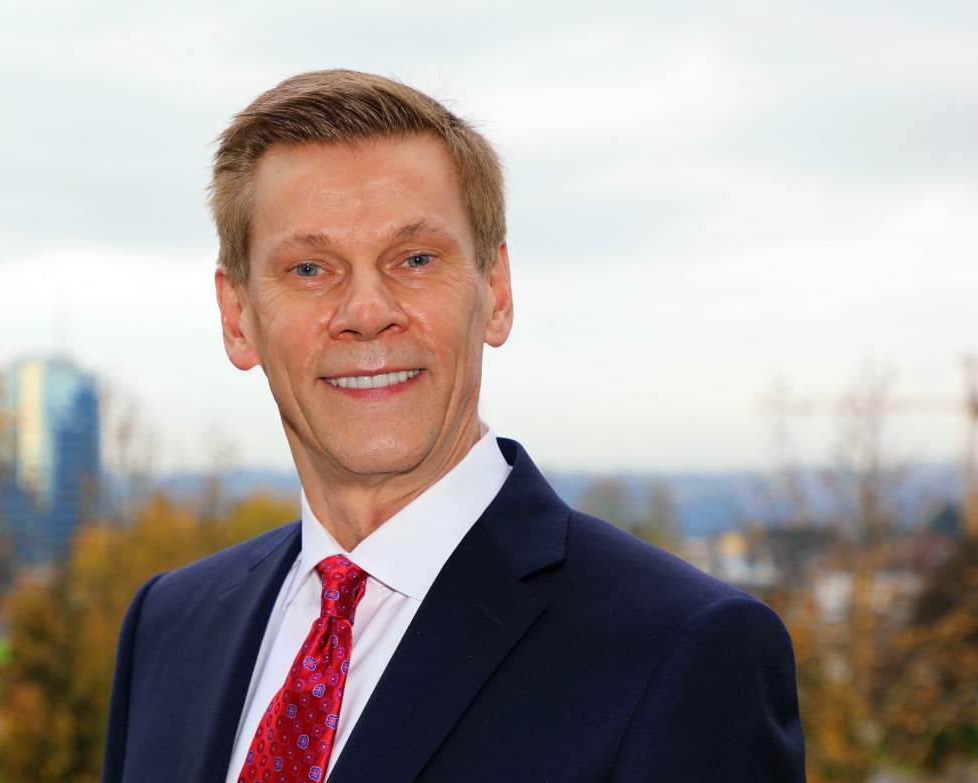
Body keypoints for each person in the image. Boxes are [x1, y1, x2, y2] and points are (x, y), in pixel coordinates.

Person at [101, 69, 806, 783]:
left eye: (414, 259)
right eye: (310, 268)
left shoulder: (681, 651)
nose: (367, 310)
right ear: (237, 317)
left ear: (495, 292)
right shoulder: (169, 627)